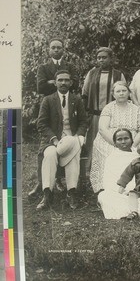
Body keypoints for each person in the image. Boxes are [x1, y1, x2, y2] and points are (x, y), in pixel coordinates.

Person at [29, 38, 78, 197]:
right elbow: (40, 86)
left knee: (65, 146)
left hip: (66, 105)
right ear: (49, 50)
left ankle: (59, 181)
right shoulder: (43, 67)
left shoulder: (69, 66)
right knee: (44, 148)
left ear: (63, 49)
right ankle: (41, 182)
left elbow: (75, 84)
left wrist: (54, 82)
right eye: (53, 48)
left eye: (59, 47)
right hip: (48, 106)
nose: (56, 50)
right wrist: (56, 84)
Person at [36, 70, 87, 210]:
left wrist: (78, 136)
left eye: (66, 80)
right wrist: (53, 139)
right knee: (51, 154)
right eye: (60, 80)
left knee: (74, 153)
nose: (63, 83)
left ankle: (71, 192)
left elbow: (83, 121)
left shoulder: (76, 100)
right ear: (55, 82)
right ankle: (47, 193)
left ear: (71, 83)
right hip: (52, 140)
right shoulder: (48, 100)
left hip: (72, 137)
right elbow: (41, 124)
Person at [90, 81, 140, 194]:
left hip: (131, 140)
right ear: (113, 94)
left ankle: (132, 188)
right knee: (113, 154)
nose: (121, 93)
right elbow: (102, 129)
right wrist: (117, 144)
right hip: (110, 140)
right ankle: (108, 189)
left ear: (129, 93)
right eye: (118, 91)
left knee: (133, 154)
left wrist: (133, 145)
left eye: (124, 91)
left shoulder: (136, 108)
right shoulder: (109, 108)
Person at [82, 47, 126, 172]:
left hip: (112, 115)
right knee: (93, 142)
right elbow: (85, 93)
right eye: (99, 58)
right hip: (95, 115)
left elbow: (123, 94)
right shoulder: (92, 73)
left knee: (110, 142)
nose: (101, 60)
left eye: (104, 57)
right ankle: (90, 170)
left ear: (111, 59)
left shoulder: (118, 74)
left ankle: (111, 170)